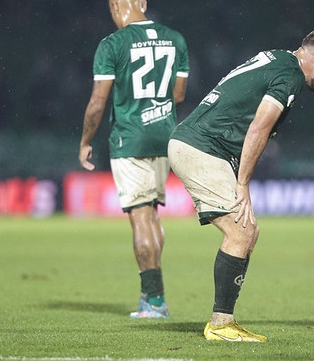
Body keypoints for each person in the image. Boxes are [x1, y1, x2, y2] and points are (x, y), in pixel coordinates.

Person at [167, 26, 314, 342]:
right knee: (242, 231)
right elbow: (258, 128)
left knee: (248, 232)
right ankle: (220, 326)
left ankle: (224, 321)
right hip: (202, 148)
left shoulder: (278, 58)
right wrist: (243, 184)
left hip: (201, 145)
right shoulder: (290, 75)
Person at [78, 0, 189, 319]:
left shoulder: (112, 44)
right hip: (164, 137)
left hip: (131, 138)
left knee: (140, 216)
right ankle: (152, 296)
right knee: (151, 214)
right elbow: (178, 95)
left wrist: (85, 141)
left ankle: (154, 301)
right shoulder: (175, 38)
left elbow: (98, 103)